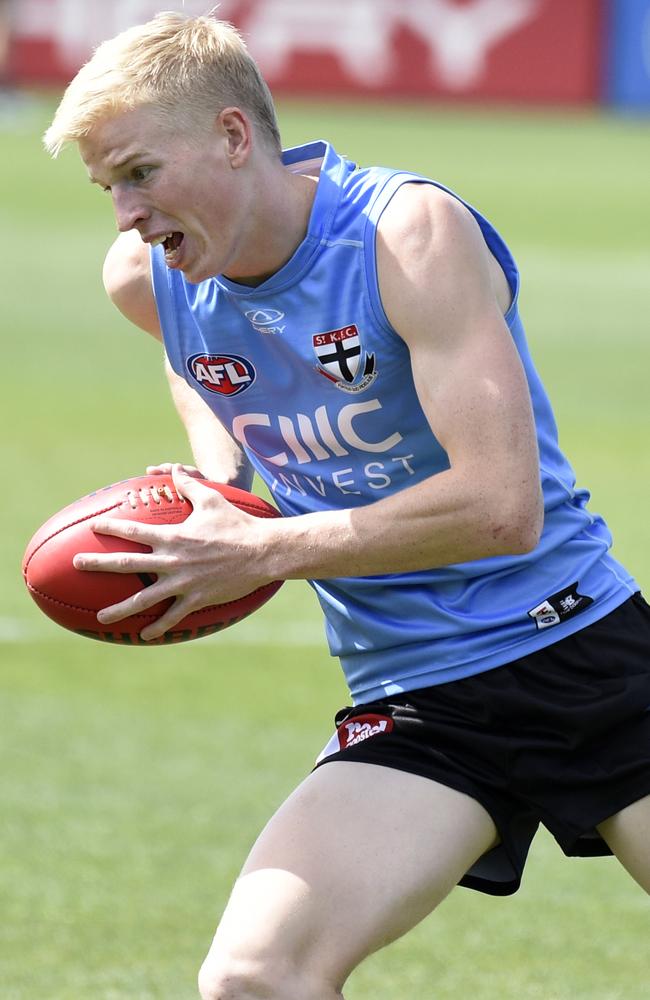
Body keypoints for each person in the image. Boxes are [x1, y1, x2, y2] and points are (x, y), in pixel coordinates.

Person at [44, 12, 650, 1000]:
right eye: (106, 185)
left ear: (234, 138)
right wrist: (219, 486)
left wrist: (262, 547)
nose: (124, 213)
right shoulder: (148, 280)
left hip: (572, 648)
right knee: (254, 976)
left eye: (140, 173)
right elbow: (200, 369)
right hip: (414, 696)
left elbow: (502, 509)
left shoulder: (403, 236)